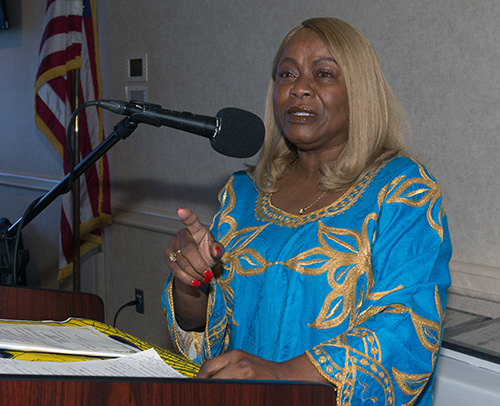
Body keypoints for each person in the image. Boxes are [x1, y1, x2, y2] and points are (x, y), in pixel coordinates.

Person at [162, 17, 451, 406]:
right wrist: (190, 279)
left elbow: (405, 328)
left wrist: (283, 376)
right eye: (286, 74)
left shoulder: (403, 191)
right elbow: (206, 328)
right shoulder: (243, 194)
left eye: (324, 74)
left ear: (359, 92)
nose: (299, 88)